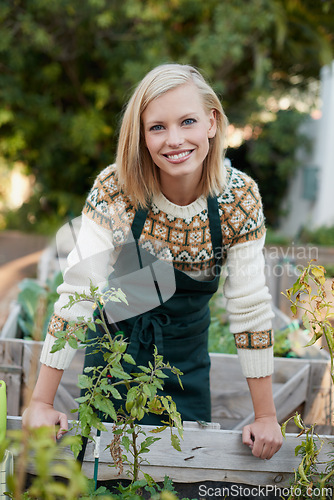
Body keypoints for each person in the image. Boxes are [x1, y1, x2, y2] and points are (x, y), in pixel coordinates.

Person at [23, 63, 283, 460]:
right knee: (104, 473)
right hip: (112, 360)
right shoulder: (116, 191)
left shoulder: (240, 200)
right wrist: (42, 400)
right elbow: (79, 291)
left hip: (186, 367)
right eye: (157, 127)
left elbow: (249, 306)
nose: (174, 139)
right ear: (141, 136)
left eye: (188, 121)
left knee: (186, 470)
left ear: (212, 123)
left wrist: (265, 415)